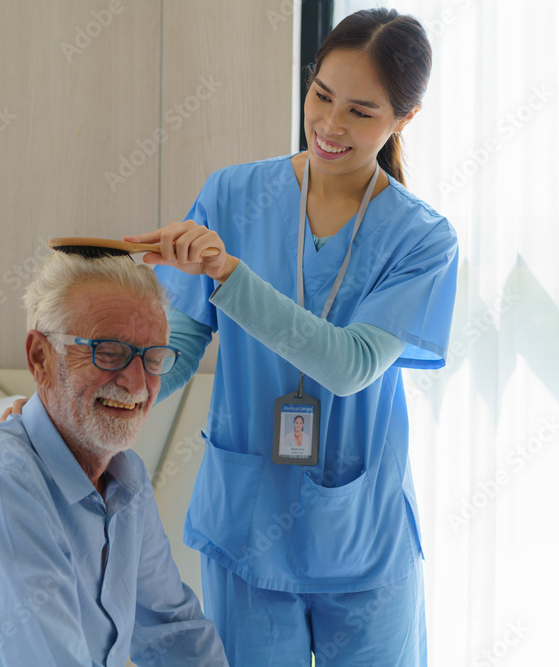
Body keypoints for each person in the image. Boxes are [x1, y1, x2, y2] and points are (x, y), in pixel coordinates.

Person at [123, 8, 458, 666]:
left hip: (363, 538)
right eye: (322, 96)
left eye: (361, 112)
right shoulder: (232, 195)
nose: (330, 126)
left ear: (404, 119)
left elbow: (349, 364)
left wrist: (227, 272)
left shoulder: (422, 239)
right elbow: (181, 347)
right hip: (248, 527)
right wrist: (84, 406)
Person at [0, 252, 228, 666]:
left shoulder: (127, 478)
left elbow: (175, 636)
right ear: (40, 358)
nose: (138, 382)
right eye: (108, 351)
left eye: (153, 357)